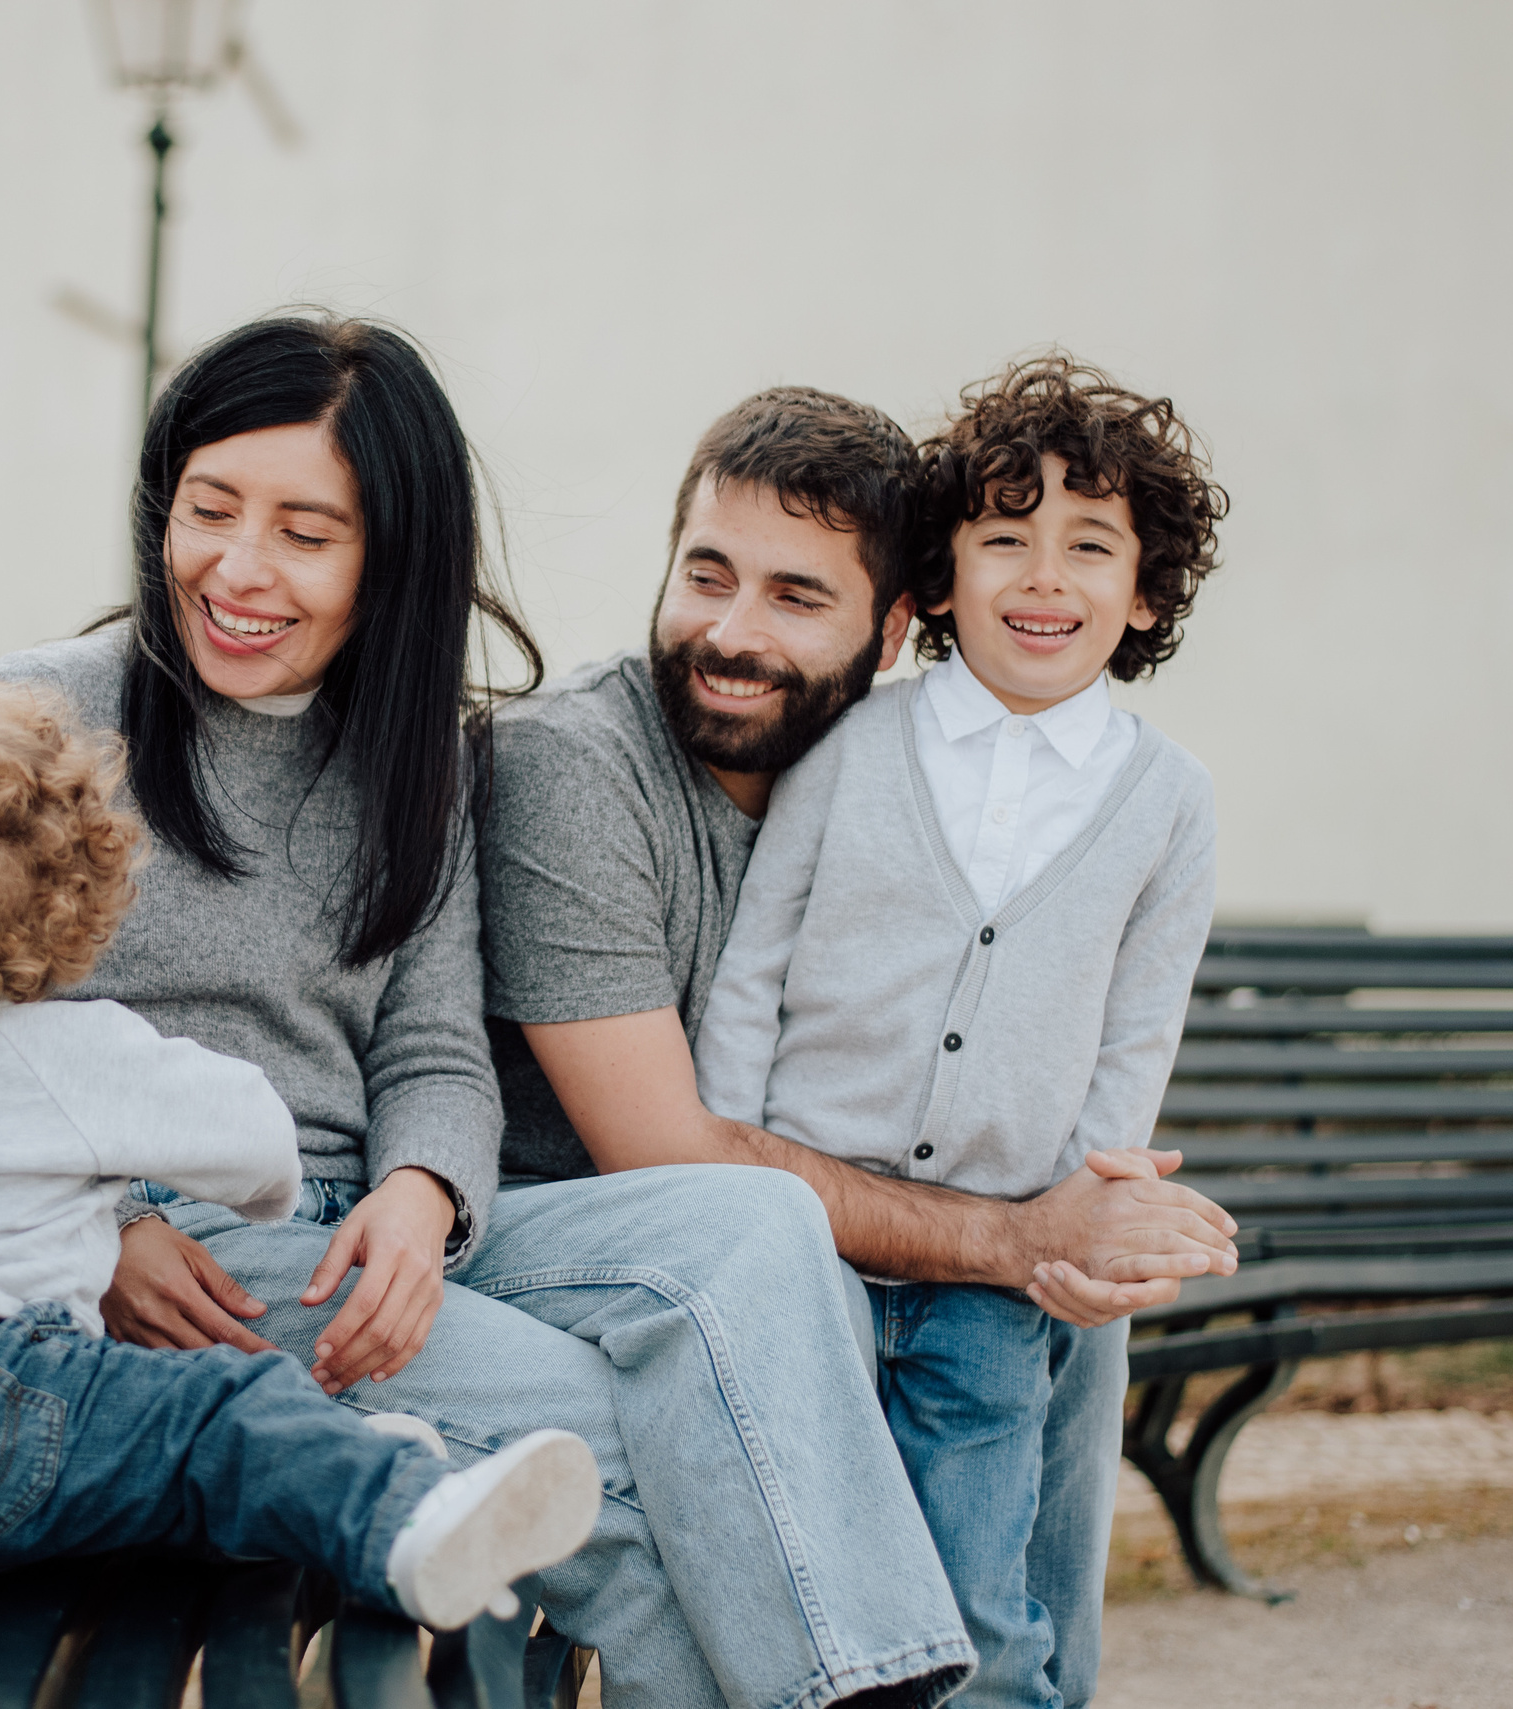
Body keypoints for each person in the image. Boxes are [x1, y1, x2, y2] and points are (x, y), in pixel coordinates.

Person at [0, 315, 978, 1708]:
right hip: (194, 1254)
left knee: (760, 1223)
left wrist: (422, 1192)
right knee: (625, 1446)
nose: (239, 567)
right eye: (209, 511)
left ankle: (866, 1680)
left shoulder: (413, 757)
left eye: (305, 532)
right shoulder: (44, 715)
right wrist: (102, 1227)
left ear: (389, 555)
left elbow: (436, 1047)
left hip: (378, 1226)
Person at [481, 382, 1244, 1709]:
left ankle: (1028, 1686)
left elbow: (1124, 1016)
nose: (730, 631)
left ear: (893, 629)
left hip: (807, 1224)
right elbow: (684, 1150)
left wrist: (1087, 1205)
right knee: (873, 1267)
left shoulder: (899, 761)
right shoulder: (586, 770)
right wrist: (1019, 1236)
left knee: (1075, 1330)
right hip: (579, 1230)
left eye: (795, 596)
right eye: (706, 575)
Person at [0, 682, 602, 1629]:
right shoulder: (72, 1050)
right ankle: (408, 1521)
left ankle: (345, 1473)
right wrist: (272, 1204)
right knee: (225, 1401)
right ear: (80, 918)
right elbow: (258, 1140)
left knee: (168, 1452)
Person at [690, 356, 1229, 1706]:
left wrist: (1084, 1215)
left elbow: (1135, 1037)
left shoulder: (1167, 802)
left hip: (1004, 1271)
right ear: (938, 579)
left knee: (981, 1596)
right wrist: (723, 1172)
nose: (1042, 576)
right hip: (805, 1248)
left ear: (1145, 590)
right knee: (811, 1561)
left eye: (1087, 546)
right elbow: (754, 969)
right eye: (1004, 537)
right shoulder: (855, 747)